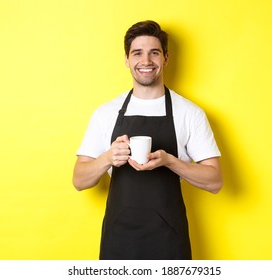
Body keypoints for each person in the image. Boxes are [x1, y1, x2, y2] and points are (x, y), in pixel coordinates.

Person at [72, 20, 222, 260]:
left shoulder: (189, 112)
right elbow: (79, 180)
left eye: (154, 53)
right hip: (118, 240)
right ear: (127, 60)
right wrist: (107, 158)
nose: (146, 61)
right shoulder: (106, 113)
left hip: (169, 240)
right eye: (137, 53)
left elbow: (215, 181)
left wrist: (171, 162)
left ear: (166, 58)